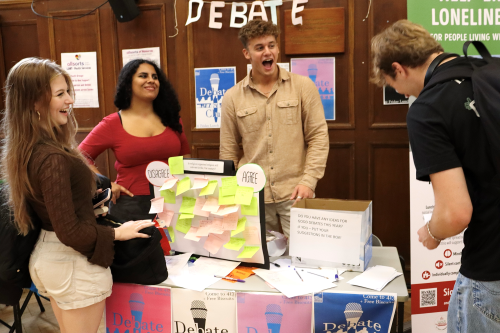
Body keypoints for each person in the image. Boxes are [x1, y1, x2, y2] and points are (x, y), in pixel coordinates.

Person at [1, 57, 154, 333]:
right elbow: (69, 231)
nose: (70, 100)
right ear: (35, 103)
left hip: (53, 260)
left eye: (68, 92)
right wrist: (119, 233)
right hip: (70, 262)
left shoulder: (32, 149)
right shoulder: (51, 157)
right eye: (60, 94)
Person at [371, 20, 500, 332]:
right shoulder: (488, 70)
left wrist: (432, 232)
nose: (398, 92)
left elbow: (455, 213)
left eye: (392, 83)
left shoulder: (428, 109)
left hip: (490, 264)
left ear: (398, 69)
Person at [220, 19, 329, 238]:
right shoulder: (232, 97)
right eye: (259, 48)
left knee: (303, 257)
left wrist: (309, 181)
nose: (267, 52)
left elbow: (318, 137)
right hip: (252, 195)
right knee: (259, 261)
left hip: (296, 194)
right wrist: (231, 193)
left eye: (271, 45)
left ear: (278, 49)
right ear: (247, 54)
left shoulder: (303, 87)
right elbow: (228, 150)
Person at [79, 59, 191, 221]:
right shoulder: (112, 123)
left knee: (174, 247)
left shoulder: (173, 119)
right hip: (130, 204)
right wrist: (106, 184)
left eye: (155, 76)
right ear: (128, 83)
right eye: (143, 76)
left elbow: (185, 157)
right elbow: (80, 156)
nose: (151, 80)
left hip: (173, 201)